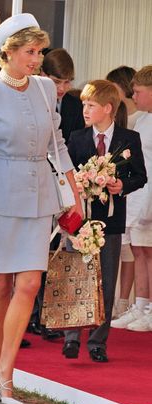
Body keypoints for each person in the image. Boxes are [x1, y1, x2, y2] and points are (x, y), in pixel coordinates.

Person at [0, 13, 83, 404]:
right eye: (30, 52)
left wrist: (73, 189)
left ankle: (5, 375)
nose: (37, 59)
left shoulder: (48, 88)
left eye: (39, 51)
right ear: (9, 53)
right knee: (0, 286)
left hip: (39, 196)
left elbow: (58, 143)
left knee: (28, 284)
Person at [64, 79, 147, 362]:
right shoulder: (77, 138)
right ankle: (72, 336)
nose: (85, 110)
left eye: (91, 105)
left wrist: (120, 185)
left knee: (106, 280)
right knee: (78, 274)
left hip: (110, 222)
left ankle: (98, 341)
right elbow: (66, 176)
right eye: (84, 105)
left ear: (108, 108)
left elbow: (140, 176)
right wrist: (80, 184)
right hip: (80, 219)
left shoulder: (128, 139)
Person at [27, 47, 85, 338]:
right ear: (41, 74)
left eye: (68, 82)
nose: (62, 88)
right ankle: (32, 315)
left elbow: (72, 149)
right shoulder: (31, 98)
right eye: (57, 80)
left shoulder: (74, 107)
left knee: (59, 254)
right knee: (36, 252)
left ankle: (50, 316)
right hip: (36, 186)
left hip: (64, 186)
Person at [111, 65, 152, 331]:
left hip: (150, 195)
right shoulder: (143, 120)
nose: (133, 97)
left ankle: (150, 309)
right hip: (139, 194)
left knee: (149, 252)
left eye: (138, 92)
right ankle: (140, 305)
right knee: (138, 250)